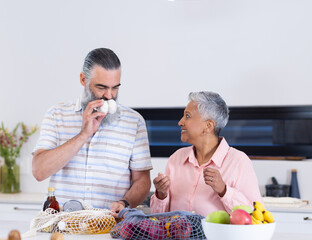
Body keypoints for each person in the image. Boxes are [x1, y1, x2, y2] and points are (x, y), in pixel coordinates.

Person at [32, 48, 152, 216]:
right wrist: (83, 134)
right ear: (83, 79)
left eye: (115, 87)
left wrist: (125, 203)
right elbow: (39, 171)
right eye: (101, 87)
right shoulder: (56, 114)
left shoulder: (134, 121)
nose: (109, 96)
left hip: (109, 227)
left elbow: (142, 180)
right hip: (61, 225)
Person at [150, 91, 262, 217]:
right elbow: (157, 218)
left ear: (208, 126)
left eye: (187, 116)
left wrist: (224, 190)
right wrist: (161, 195)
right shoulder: (176, 159)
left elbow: (255, 215)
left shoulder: (238, 161)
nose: (180, 122)